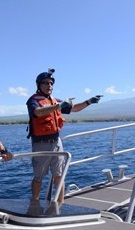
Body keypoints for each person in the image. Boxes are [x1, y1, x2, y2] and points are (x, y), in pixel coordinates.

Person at [26, 68, 102, 204]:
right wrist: (58, 107)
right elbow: (37, 112)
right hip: (40, 145)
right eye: (45, 83)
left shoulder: (55, 101)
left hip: (56, 143)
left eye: (51, 83)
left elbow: (74, 108)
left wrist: (88, 102)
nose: (49, 86)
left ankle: (60, 205)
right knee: (38, 177)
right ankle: (35, 203)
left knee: (59, 175)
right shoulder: (33, 101)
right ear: (39, 85)